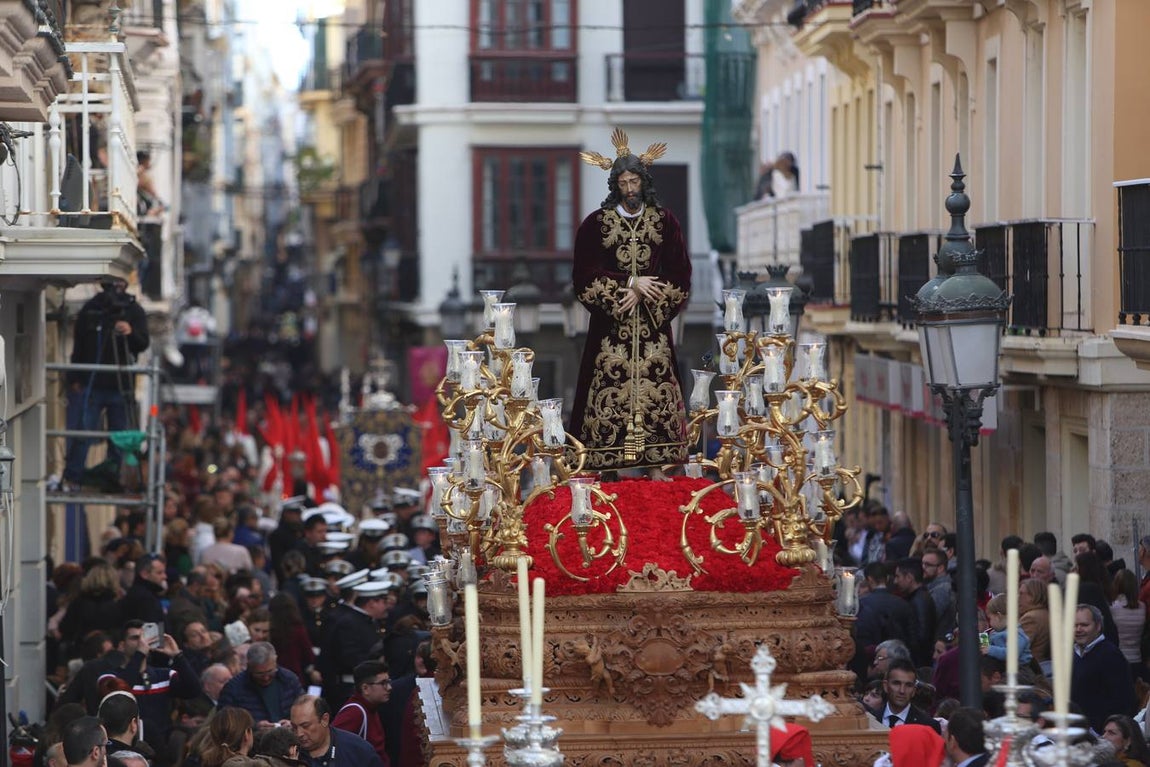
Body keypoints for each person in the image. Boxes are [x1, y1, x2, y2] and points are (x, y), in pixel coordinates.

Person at [568, 128, 691, 473]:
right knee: (606, 387)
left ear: (644, 181)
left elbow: (680, 275)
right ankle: (605, 463)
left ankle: (657, 463)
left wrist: (645, 293)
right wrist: (629, 284)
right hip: (611, 330)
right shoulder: (595, 225)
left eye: (634, 181)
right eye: (623, 183)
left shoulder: (665, 223)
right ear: (615, 185)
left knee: (657, 388)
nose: (630, 189)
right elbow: (583, 277)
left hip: (652, 331)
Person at [62, 277, 150, 490]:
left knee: (118, 435)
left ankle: (112, 475)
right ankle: (73, 474)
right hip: (92, 383)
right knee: (85, 430)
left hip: (120, 385)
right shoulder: (92, 309)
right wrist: (75, 378)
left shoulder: (134, 311)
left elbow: (142, 343)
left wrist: (130, 332)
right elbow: (79, 345)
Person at [1072, 604, 1138, 733]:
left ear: (1098, 626)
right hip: (1074, 727)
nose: (1078, 629)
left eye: (1084, 625)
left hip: (1098, 733)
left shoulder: (1110, 655)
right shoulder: (1074, 653)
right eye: (1074, 625)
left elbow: (1122, 702)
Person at [217, 642, 303, 730]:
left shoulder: (289, 680)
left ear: (275, 662)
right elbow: (223, 721)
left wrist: (292, 723)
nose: (266, 678)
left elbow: (304, 709)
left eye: (270, 671)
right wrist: (253, 727)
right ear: (249, 666)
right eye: (260, 674)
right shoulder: (233, 688)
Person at [289, 694, 384, 767]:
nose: (299, 733)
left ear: (324, 720)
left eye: (305, 726)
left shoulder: (358, 750)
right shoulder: (285, 754)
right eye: (294, 727)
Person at [330, 660, 390, 765]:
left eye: (388, 682)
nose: (389, 687)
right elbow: (332, 743)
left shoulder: (371, 708)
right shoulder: (355, 712)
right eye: (383, 683)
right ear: (365, 688)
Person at [867, 659, 940, 733]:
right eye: (896, 683)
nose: (902, 690)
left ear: (914, 690)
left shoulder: (928, 726)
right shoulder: (870, 720)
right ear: (886, 686)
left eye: (908, 685)